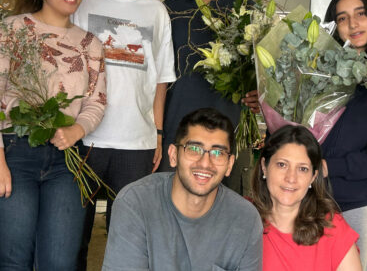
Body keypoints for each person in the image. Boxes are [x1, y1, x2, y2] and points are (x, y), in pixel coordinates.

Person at [0, 0, 106, 270]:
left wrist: (78, 129)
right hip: (12, 153)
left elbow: (96, 101)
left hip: (66, 162)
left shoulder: (90, 44)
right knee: (14, 262)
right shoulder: (13, 30)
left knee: (61, 263)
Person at [71, 0, 176, 269]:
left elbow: (161, 80)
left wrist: (158, 133)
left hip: (137, 143)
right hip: (84, 138)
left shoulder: (156, 12)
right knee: (73, 234)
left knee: (128, 238)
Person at [102, 108, 263, 271]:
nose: (205, 163)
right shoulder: (135, 203)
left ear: (229, 165)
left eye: (217, 152)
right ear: (173, 155)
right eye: (194, 149)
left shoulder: (246, 220)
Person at [160, 0, 258, 194]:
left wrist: (259, 94)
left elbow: (262, 73)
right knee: (172, 208)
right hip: (177, 130)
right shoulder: (169, 10)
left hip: (231, 133)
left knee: (226, 215)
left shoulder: (246, 9)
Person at [321, 0, 367, 269]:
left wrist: (329, 166)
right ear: (334, 26)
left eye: (360, 14)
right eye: (342, 18)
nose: (353, 24)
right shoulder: (317, 70)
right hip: (307, 194)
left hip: (355, 200)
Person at [251, 125, 362, 271]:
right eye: (282, 165)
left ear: (313, 177)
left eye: (302, 169)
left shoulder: (332, 228)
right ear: (264, 167)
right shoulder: (243, 218)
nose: (291, 178)